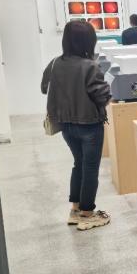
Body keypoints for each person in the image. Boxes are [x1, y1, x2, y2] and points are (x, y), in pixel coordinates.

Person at [41, 21, 112, 231]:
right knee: (90, 168)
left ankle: (75, 209)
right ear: (89, 41)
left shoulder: (55, 63)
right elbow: (103, 96)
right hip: (89, 125)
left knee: (79, 163)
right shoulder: (90, 66)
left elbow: (44, 88)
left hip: (65, 124)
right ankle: (87, 214)